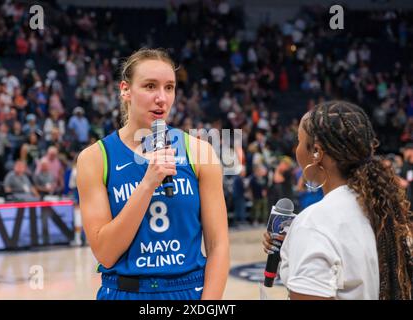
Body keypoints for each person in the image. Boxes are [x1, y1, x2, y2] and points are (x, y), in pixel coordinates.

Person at [76, 48, 229, 300]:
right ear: (125, 90)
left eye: (169, 87)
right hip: (124, 291)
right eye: (150, 86)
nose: (161, 98)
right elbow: (105, 253)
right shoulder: (94, 158)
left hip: (187, 291)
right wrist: (147, 184)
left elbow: (218, 246)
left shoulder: (200, 152)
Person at [263, 101, 412, 300]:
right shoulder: (381, 208)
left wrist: (304, 238)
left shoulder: (314, 223)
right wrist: (292, 246)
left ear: (316, 152)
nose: (296, 149)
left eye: (298, 141)